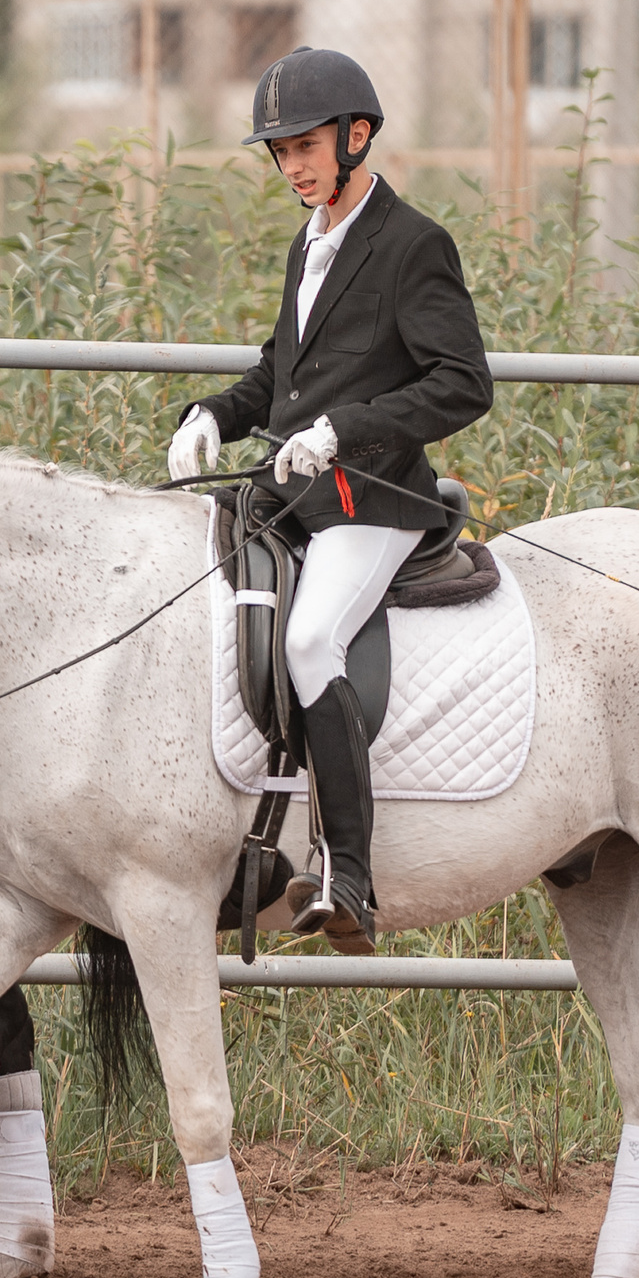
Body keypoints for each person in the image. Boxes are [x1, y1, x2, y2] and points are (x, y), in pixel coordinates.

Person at [168, 46, 493, 953]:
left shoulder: (413, 242)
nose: (292, 167)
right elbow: (285, 372)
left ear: (356, 136)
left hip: (375, 500)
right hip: (297, 491)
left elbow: (464, 383)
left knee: (312, 639)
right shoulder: (307, 239)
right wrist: (215, 414)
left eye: (305, 146)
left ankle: (349, 872)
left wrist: (348, 429)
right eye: (279, 152)